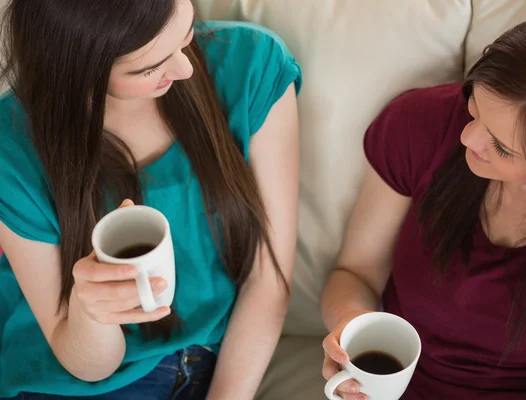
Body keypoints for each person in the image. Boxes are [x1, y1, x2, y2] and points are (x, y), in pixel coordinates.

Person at [0, 0, 301, 398]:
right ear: (78, 69)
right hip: (72, 379)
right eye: (148, 68)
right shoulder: (13, 147)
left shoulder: (252, 65)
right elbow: (86, 365)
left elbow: (270, 279)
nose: (186, 69)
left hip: (207, 361)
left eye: (187, 33)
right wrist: (92, 313)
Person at [321, 9, 526, 400]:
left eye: (502, 147)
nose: (467, 137)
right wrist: (351, 326)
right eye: (474, 108)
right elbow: (355, 270)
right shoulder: (422, 124)